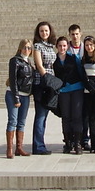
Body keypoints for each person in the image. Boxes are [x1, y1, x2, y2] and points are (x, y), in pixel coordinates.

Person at [53, 36, 86, 155]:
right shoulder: (54, 60)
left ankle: (77, 143)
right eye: (60, 46)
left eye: (64, 46)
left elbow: (81, 72)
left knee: (77, 116)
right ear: (57, 46)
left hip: (76, 88)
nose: (62, 48)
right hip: (63, 91)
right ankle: (68, 142)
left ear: (67, 47)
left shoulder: (74, 58)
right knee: (66, 117)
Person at [5, 39, 34, 158]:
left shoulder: (29, 62)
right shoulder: (15, 61)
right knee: (13, 121)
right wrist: (16, 98)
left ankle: (19, 148)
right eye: (25, 47)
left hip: (25, 95)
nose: (27, 50)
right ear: (20, 48)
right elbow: (13, 80)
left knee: (21, 122)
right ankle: (9, 149)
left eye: (29, 48)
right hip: (13, 94)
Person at [32, 21, 57, 155]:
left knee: (44, 116)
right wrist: (49, 80)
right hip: (42, 84)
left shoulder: (50, 46)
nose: (44, 33)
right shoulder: (37, 46)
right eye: (42, 31)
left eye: (46, 31)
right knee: (40, 116)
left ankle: (40, 144)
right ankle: (38, 146)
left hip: (50, 84)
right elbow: (39, 66)